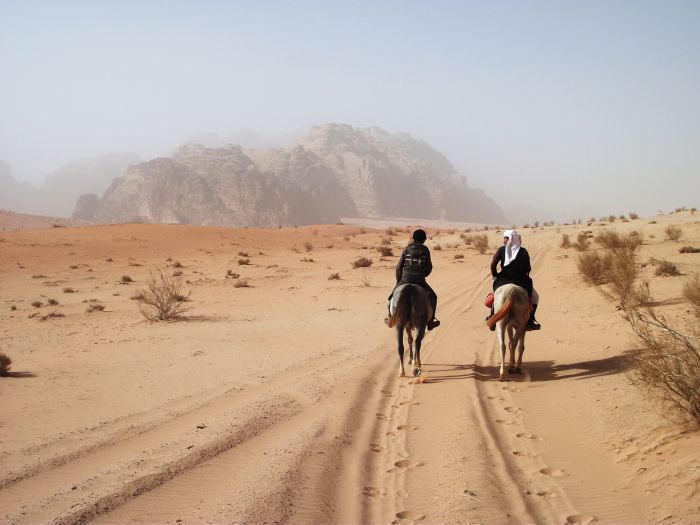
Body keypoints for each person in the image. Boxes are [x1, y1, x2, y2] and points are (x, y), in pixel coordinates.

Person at [385, 229, 440, 330]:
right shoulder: (425, 250)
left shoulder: (406, 249)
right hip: (420, 280)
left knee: (391, 297)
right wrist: (423, 275)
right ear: (424, 240)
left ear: (413, 238)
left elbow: (398, 268)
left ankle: (389, 316)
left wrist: (398, 282)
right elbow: (429, 268)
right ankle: (431, 320)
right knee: (434, 297)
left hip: (405, 279)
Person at [487, 229, 541, 331]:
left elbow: (493, 265)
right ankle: (531, 320)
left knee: (496, 295)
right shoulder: (523, 251)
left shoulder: (501, 250)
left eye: (505, 238)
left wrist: (495, 276)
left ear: (510, 239)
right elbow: (527, 269)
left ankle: (493, 316)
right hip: (520, 281)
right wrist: (523, 276)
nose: (503, 240)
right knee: (535, 297)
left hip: (503, 280)